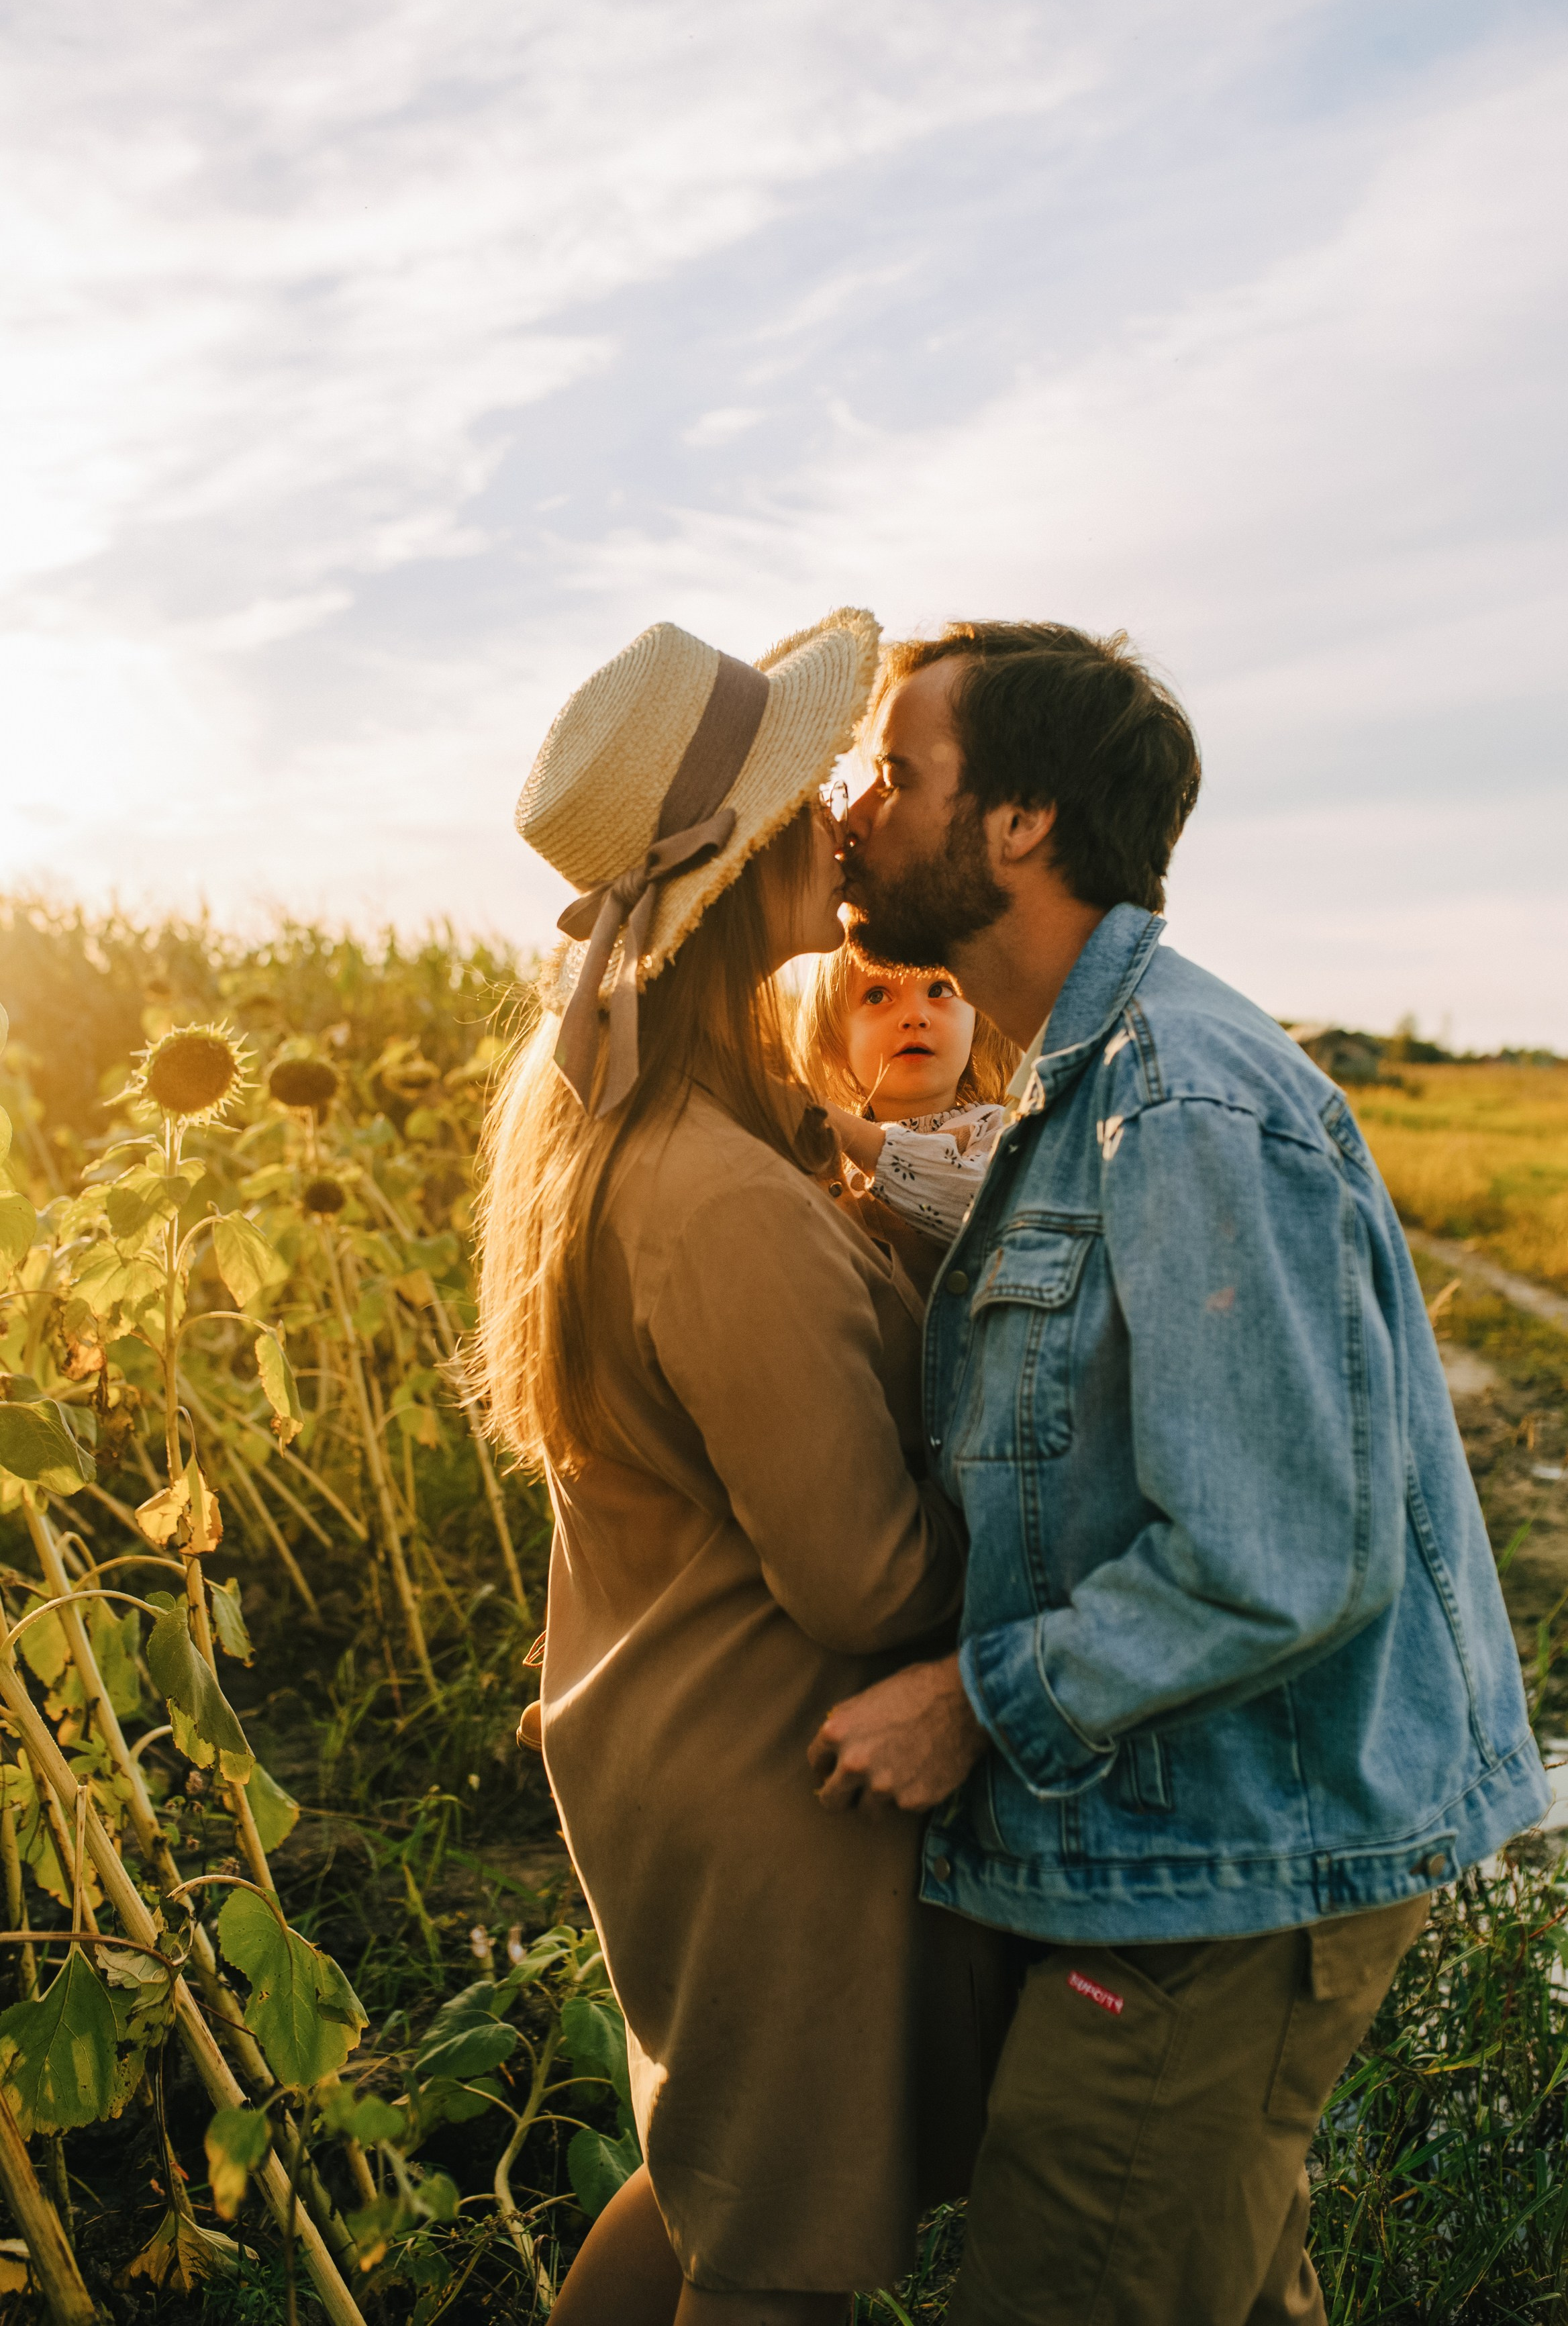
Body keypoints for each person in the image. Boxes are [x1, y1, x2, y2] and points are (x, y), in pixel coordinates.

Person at [808, 620, 1549, 2326]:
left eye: (896, 772)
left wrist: (969, 1703)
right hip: (1185, 1840)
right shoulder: (1083, 1083)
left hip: (1227, 1861)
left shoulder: (1183, 1101)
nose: (852, 810)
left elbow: (1277, 1552)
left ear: (1019, 823)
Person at [473, 612, 1009, 2326]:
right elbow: (862, 1576)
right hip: (777, 1777)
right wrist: (1051, 1536)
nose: (843, 813)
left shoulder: (673, 1123)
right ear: (739, 859)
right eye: (804, 793)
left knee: (712, 2177)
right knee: (782, 2257)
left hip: (674, 1728)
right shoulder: (715, 1194)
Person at [794, 947, 1016, 1256]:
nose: (915, 1017)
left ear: (978, 1021)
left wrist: (846, 1128)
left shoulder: (999, 1130)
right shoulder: (820, 1156)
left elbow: (980, 1214)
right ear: (835, 1041)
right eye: (876, 996)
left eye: (939, 990)